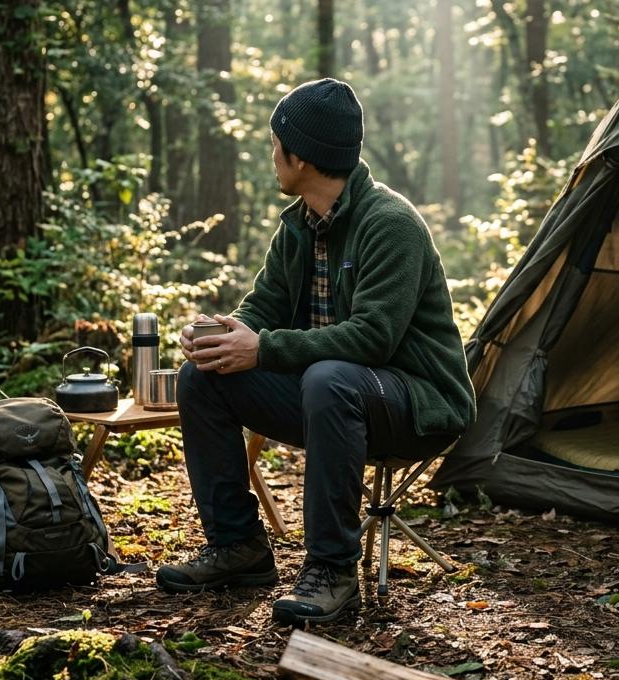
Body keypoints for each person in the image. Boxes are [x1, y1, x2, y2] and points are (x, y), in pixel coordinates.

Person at [155, 78, 475, 625]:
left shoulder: (390, 224)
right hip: (331, 398)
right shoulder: (299, 226)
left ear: (298, 155)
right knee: (202, 377)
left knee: (331, 377)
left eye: (276, 142)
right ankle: (239, 547)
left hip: (416, 402)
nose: (271, 154)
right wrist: (222, 333)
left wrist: (266, 349)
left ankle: (332, 568)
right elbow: (264, 307)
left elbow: (373, 339)